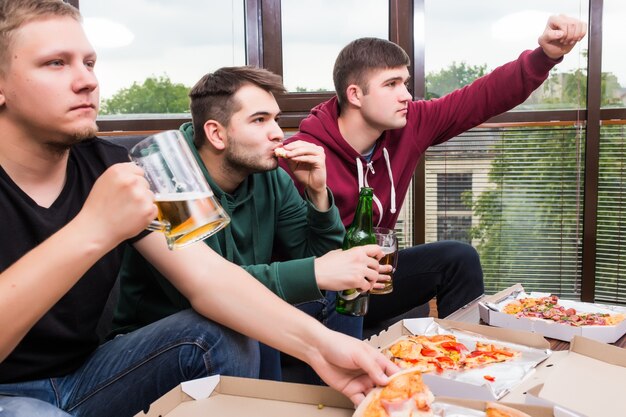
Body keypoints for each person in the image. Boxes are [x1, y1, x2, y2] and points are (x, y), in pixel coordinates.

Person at [0, 2, 398, 416]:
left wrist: (324, 348)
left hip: (88, 373)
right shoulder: (120, 183)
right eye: (55, 64)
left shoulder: (110, 166)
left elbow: (208, 278)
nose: (86, 81)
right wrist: (92, 229)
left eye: (89, 62)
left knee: (221, 327)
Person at [281, 15, 587, 329]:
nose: (406, 95)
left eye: (405, 83)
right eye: (391, 85)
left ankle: (464, 358)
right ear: (356, 94)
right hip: (324, 293)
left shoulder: (410, 123)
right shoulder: (302, 156)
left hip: (375, 281)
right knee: (343, 293)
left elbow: (482, 97)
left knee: (458, 258)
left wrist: (545, 56)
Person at [111, 66, 390, 381]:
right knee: (247, 318)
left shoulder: (270, 176)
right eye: (260, 120)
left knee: (341, 288)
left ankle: (342, 399)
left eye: (275, 119)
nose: (277, 133)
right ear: (217, 133)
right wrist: (317, 271)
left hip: (230, 313)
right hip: (169, 335)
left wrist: (317, 192)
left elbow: (322, 258)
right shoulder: (167, 177)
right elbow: (210, 291)